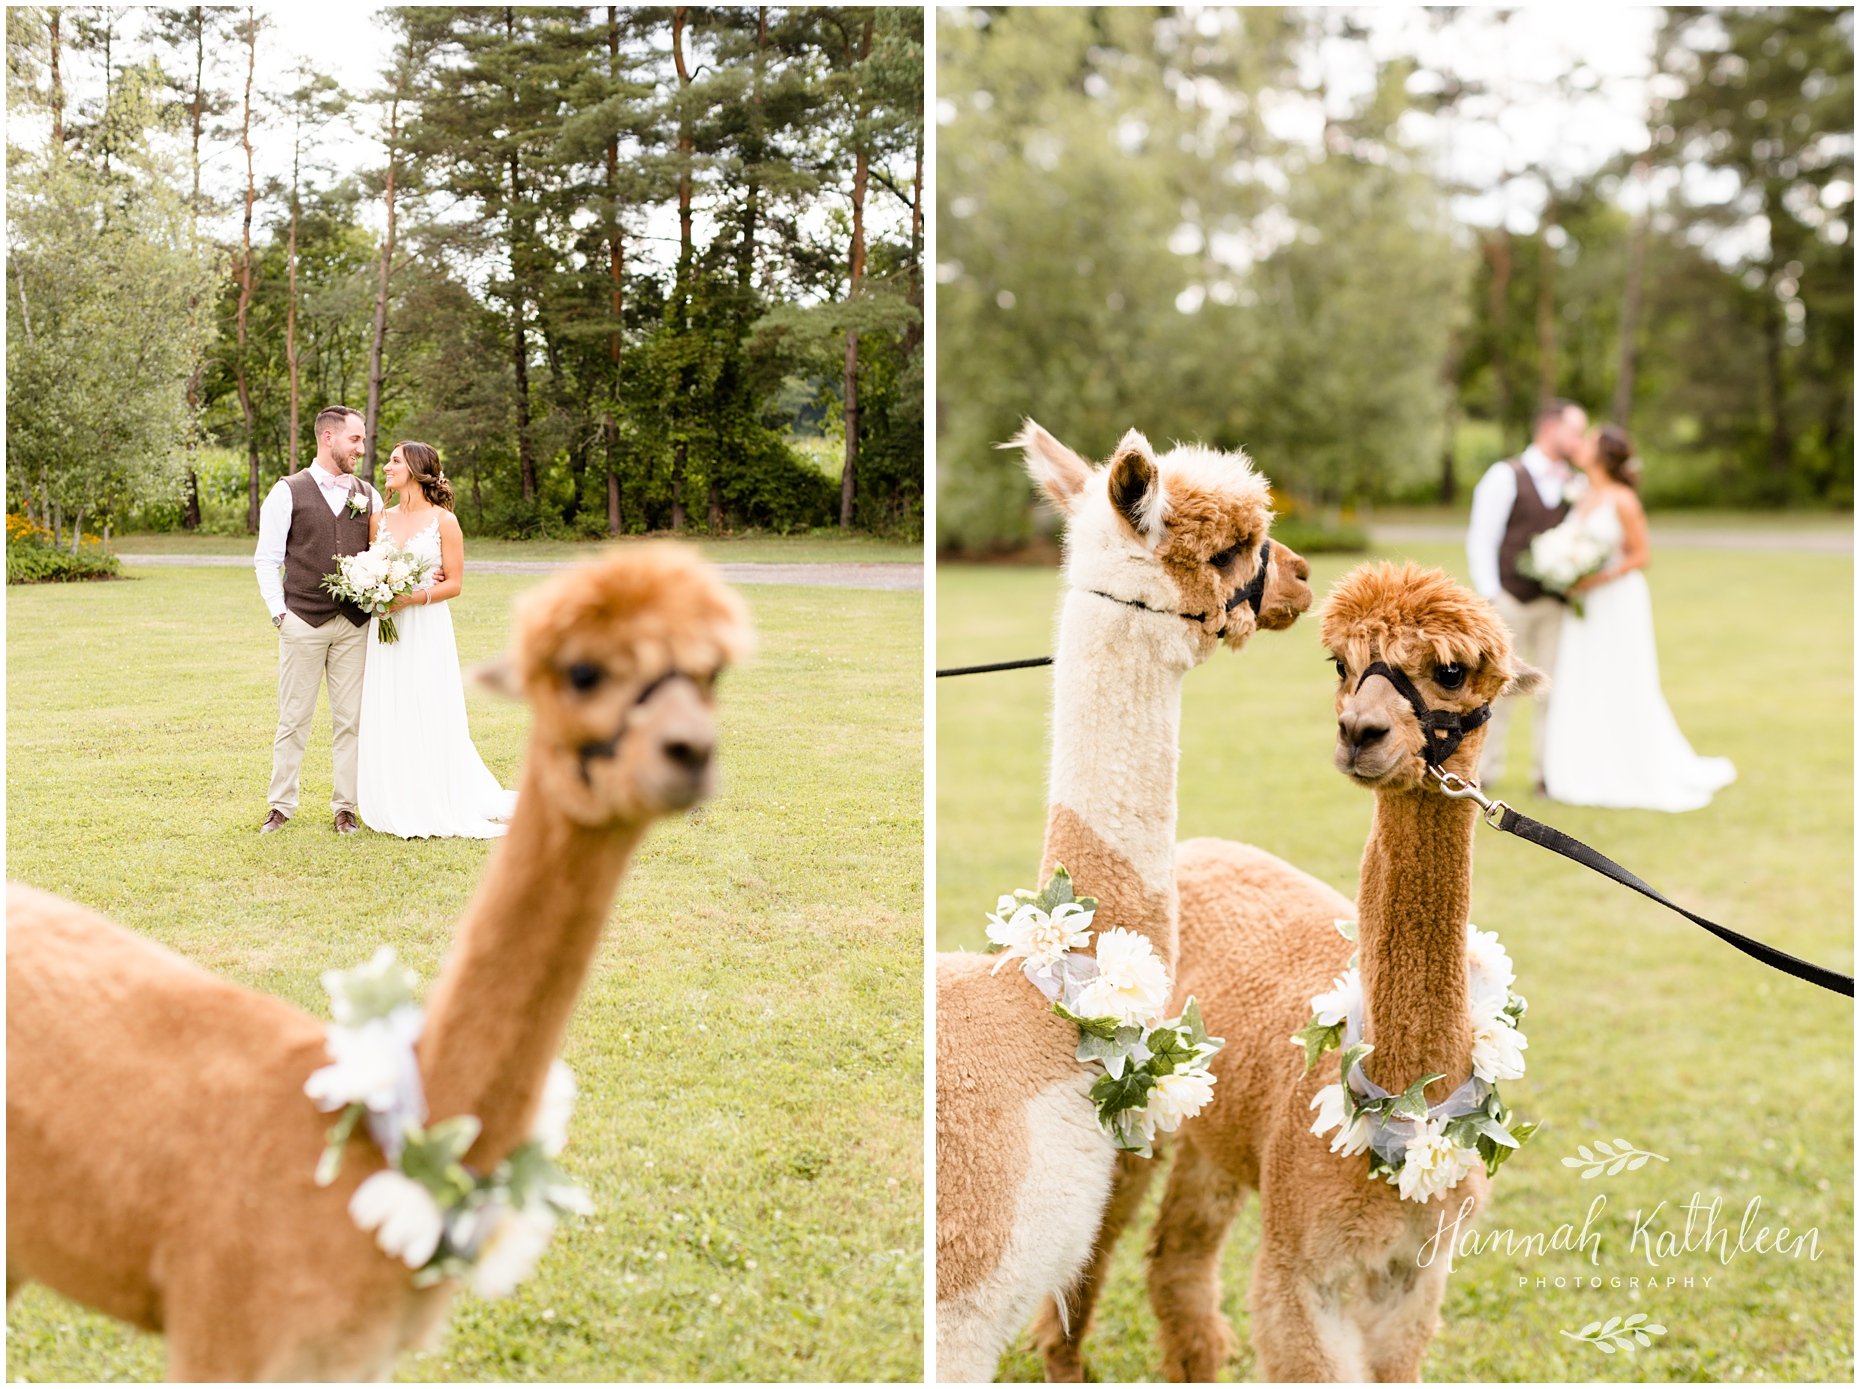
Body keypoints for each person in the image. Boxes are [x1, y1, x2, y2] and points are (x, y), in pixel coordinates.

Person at [1541, 426, 1736, 811]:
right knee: (1584, 676)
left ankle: (1629, 766)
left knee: (1620, 677)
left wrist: (1595, 577)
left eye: (1590, 441)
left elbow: (1641, 555)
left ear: (1603, 455)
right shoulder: (1583, 494)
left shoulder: (1623, 499)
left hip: (1616, 599)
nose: (1581, 445)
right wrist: (1564, 569)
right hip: (1586, 605)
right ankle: (1582, 765)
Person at [355, 441, 517, 839]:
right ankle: (396, 792)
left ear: (414, 468)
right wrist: (372, 589)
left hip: (426, 626)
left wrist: (412, 597)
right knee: (391, 704)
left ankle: (435, 793)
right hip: (386, 629)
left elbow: (456, 584)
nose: (386, 466)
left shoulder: (444, 521)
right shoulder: (379, 520)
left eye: (395, 461)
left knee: (427, 703)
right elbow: (369, 565)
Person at [255, 406, 383, 834]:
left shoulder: (369, 493)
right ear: (328, 438)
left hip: (354, 625)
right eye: (355, 440)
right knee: (294, 718)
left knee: (351, 719)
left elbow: (382, 556)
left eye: (362, 440)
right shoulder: (288, 491)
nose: (361, 448)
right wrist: (280, 614)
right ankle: (281, 805)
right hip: (302, 621)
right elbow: (267, 559)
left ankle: (345, 806)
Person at [1466, 398, 1587, 791]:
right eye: (1575, 431)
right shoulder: (1505, 475)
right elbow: (1482, 538)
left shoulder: (1577, 483)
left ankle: (1547, 774)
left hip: (1556, 605)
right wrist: (1492, 596)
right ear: (1550, 430)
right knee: (1497, 690)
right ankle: (1484, 772)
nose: (1580, 440)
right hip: (1510, 602)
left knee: (1553, 691)